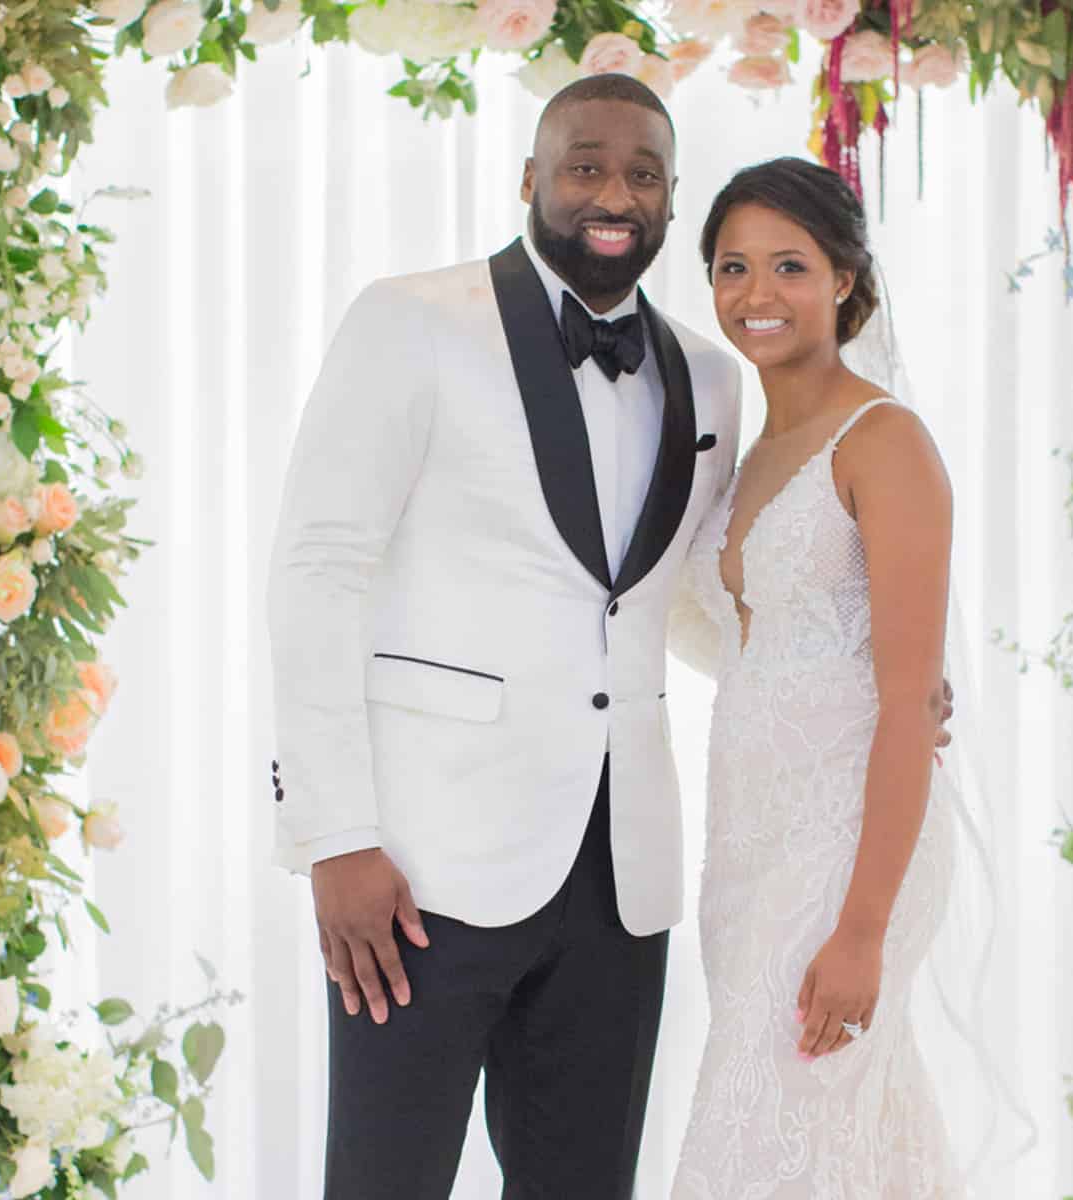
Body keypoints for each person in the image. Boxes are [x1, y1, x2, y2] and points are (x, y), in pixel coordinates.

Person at [266, 74, 741, 1197]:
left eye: (643, 172)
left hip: (622, 875)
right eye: (586, 164)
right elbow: (318, 567)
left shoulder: (710, 377)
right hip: (418, 871)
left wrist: (856, 678)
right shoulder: (413, 319)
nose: (613, 192)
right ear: (530, 178)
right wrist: (335, 836)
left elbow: (673, 602)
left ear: (671, 201)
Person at [670, 157, 1010, 1197]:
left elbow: (910, 699)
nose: (756, 295)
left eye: (789, 266)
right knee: (844, 1139)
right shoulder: (747, 449)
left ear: (846, 281)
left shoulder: (886, 441)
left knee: (764, 1129)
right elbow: (743, 642)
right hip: (750, 843)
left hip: (853, 850)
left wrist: (862, 928)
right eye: (732, 267)